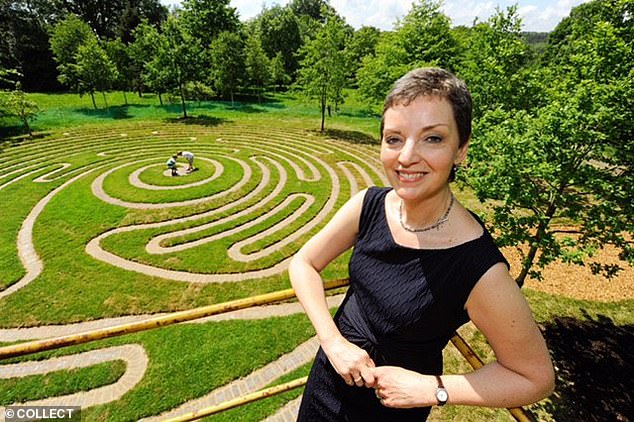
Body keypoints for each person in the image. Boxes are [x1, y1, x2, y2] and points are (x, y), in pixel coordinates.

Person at [289, 67, 554, 421]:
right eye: (394, 138)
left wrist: (434, 388)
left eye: (432, 138)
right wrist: (333, 342)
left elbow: (535, 377)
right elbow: (303, 264)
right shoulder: (369, 205)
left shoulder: (478, 267)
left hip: (390, 412)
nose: (407, 156)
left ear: (461, 149)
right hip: (327, 383)